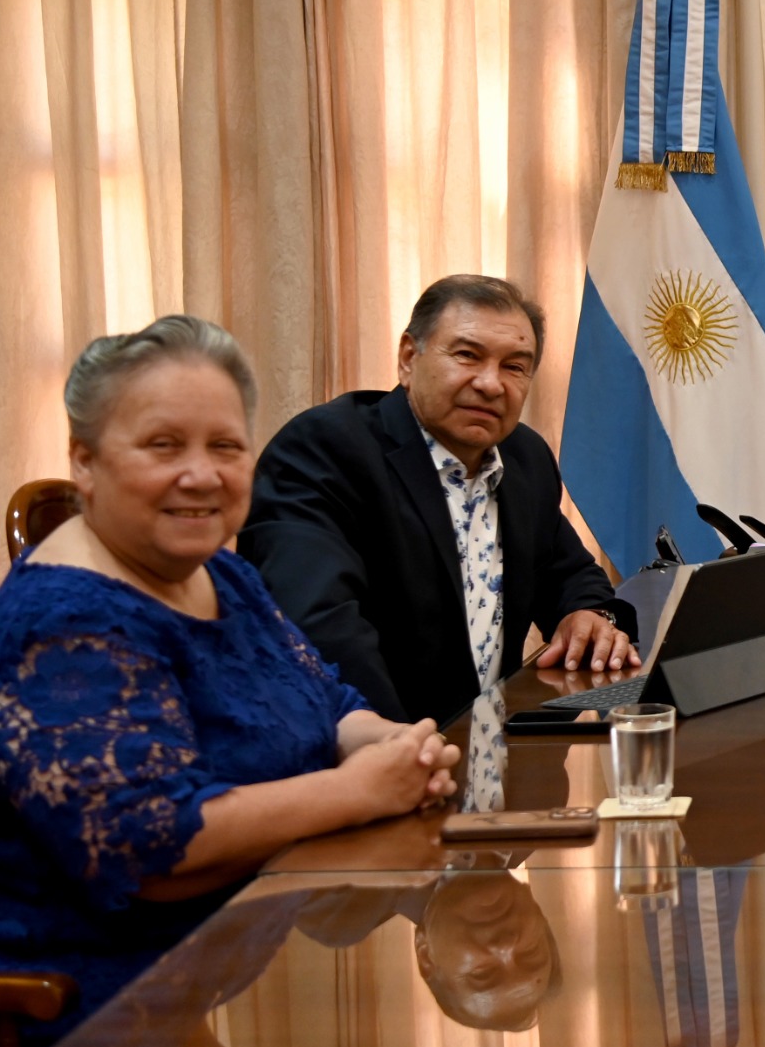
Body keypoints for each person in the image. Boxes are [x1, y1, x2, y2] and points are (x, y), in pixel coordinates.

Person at [0, 317, 462, 1047]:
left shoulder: (224, 576)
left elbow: (325, 698)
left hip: (215, 982)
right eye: (163, 445)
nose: (201, 475)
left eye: (226, 446)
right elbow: (150, 848)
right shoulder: (63, 623)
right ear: (84, 460)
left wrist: (391, 742)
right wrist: (360, 790)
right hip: (59, 1041)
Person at [241, 275, 638, 724]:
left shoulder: (523, 457)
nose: (490, 384)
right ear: (409, 358)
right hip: (373, 747)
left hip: (496, 749)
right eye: (467, 355)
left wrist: (588, 613)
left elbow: (566, 570)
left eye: (514, 366)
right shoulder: (326, 449)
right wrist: (402, 744)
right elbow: (319, 625)